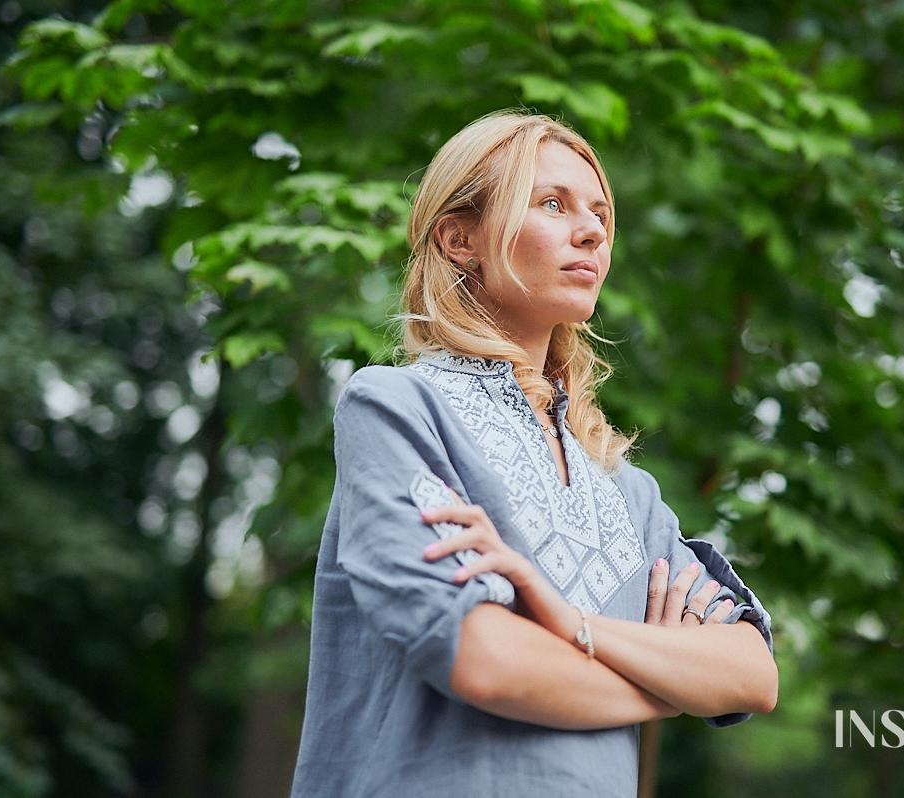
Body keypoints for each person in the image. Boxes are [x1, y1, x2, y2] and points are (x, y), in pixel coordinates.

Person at [289, 108, 777, 798]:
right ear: (460, 239)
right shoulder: (397, 410)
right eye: (553, 203)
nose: (593, 231)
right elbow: (482, 660)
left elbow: (751, 676)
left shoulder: (627, 491)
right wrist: (667, 688)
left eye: (601, 213)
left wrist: (567, 620)